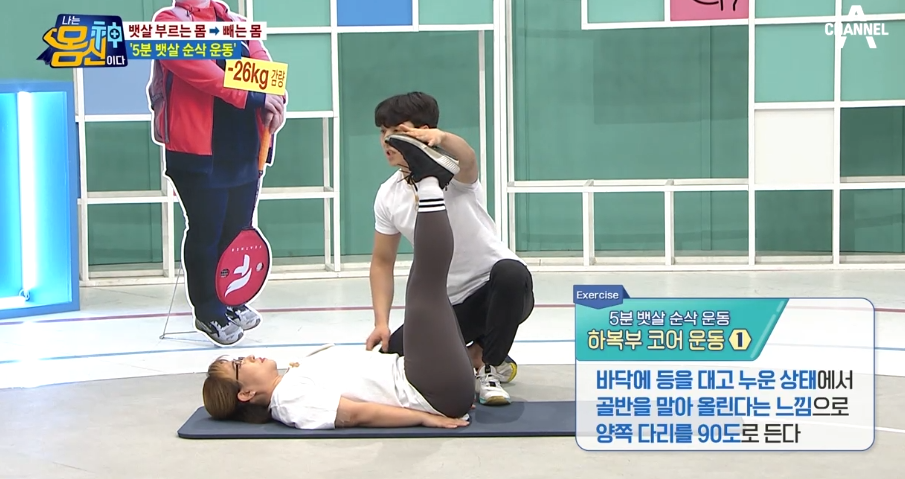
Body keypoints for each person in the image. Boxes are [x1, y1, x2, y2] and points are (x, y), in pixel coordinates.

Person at [201, 143, 475, 429]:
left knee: (425, 281)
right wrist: (426, 417)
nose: (247, 358)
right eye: (238, 365)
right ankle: (429, 181)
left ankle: (429, 181)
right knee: (425, 287)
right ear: (246, 394)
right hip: (427, 389)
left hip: (427, 379)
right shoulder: (288, 401)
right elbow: (356, 414)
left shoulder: (289, 384)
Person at [365, 92, 535, 406]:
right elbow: (382, 262)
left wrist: (442, 138)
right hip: (448, 306)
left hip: (499, 291)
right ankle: (475, 354)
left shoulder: (453, 174)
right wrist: (381, 323)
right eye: (382, 131)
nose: (387, 140)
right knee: (393, 354)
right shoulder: (388, 195)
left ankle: (489, 368)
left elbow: (468, 157)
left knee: (511, 273)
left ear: (423, 132)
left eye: (397, 131)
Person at [149, 0, 286, 346]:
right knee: (207, 230)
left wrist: (275, 99)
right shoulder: (169, 21)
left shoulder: (236, 21)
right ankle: (208, 309)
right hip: (197, 150)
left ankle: (231, 297)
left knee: (236, 229)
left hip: (246, 144)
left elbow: (263, 66)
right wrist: (254, 97)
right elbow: (202, 72)